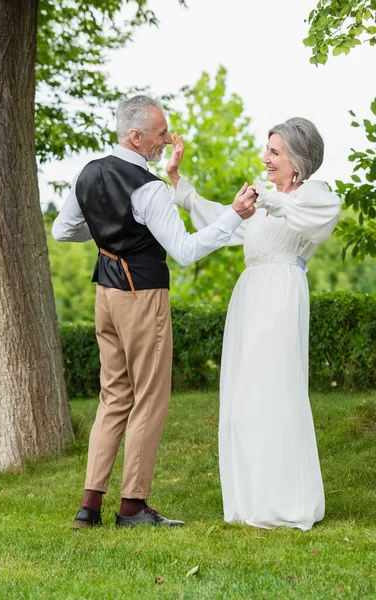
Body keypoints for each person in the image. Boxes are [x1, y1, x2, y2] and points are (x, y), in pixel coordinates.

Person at [52, 95, 257, 528]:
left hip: (105, 295)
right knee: (149, 398)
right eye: (161, 133)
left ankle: (89, 508)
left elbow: (63, 228)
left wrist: (110, 224)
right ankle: (131, 507)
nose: (168, 139)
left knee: (113, 397)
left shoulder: (88, 173)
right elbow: (183, 251)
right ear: (136, 136)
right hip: (141, 296)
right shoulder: (149, 190)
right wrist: (234, 216)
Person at [167, 118, 342, 530]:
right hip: (249, 295)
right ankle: (252, 500)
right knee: (245, 392)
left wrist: (266, 198)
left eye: (275, 152)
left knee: (274, 388)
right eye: (268, 150)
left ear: (297, 160)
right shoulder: (262, 197)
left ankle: (286, 502)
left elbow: (312, 217)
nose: (265, 158)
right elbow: (223, 219)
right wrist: (180, 183)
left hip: (282, 292)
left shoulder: (315, 196)